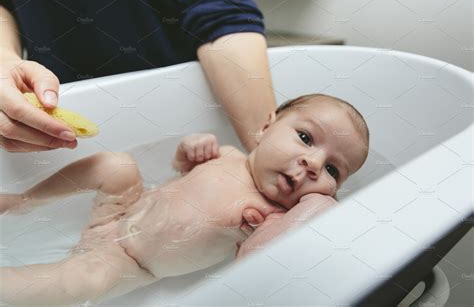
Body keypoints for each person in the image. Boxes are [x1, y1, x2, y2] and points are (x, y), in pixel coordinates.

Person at [0, 94, 370, 305]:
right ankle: (22, 200)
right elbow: (178, 173)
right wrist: (188, 152)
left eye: (334, 171)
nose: (313, 164)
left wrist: (314, 210)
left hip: (131, 262)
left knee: (84, 279)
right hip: (127, 208)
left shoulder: (267, 218)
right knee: (118, 166)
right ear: (265, 127)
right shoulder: (227, 154)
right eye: (306, 138)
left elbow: (261, 261)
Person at [0, 0, 275, 153]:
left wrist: (266, 153)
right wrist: (5, 61)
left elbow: (220, 11)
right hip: (59, 114)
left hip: (187, 108)